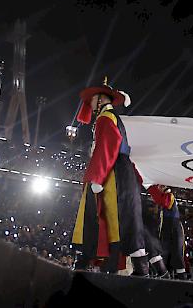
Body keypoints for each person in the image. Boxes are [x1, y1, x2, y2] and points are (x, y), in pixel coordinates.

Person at [71, 77, 149, 276]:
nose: (90, 105)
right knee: (120, 219)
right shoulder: (112, 117)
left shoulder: (106, 118)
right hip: (119, 170)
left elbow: (108, 146)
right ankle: (115, 264)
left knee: (103, 217)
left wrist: (97, 177)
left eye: (92, 101)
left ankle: (90, 262)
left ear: (99, 99)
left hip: (111, 172)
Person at [147, 184, 188, 279]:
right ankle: (163, 275)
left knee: (177, 253)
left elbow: (165, 203)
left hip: (174, 226)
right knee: (163, 252)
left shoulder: (169, 196)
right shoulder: (164, 198)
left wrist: (152, 189)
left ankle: (182, 278)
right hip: (165, 226)